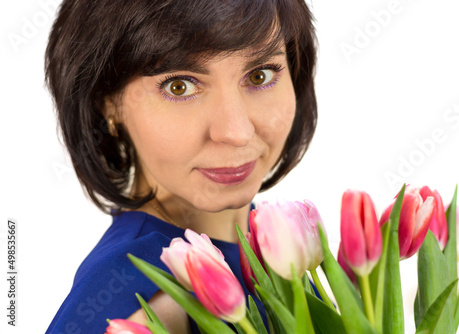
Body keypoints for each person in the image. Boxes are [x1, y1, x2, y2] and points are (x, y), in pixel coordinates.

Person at [45, 0, 317, 332]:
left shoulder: (278, 244)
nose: (236, 132)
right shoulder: (139, 307)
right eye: (180, 86)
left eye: (260, 75)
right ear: (108, 105)